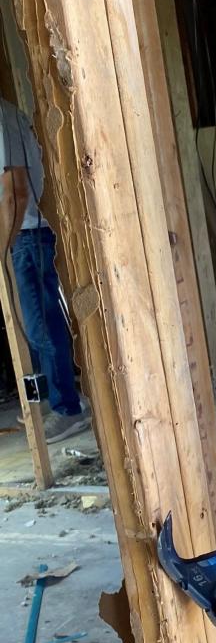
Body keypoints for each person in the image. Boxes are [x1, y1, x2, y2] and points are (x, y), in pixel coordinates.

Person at [0, 97, 89, 442]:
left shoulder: (2, 118)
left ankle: (68, 409)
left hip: (29, 232)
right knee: (37, 326)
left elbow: (16, 194)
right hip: (23, 234)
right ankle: (61, 398)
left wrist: (2, 247)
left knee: (42, 325)